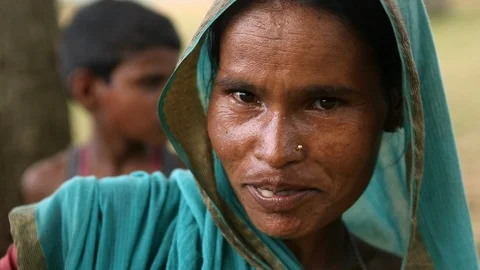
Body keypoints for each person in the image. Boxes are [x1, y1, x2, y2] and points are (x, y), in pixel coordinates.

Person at [3, 0, 478, 269]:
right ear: (207, 93)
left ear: (394, 108)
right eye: (244, 97)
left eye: (325, 102)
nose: (274, 151)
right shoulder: (90, 229)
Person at [21, 1, 184, 204]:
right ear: (86, 89)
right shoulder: (46, 185)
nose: (171, 97)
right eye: (150, 82)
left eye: (173, 81)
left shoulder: (187, 183)